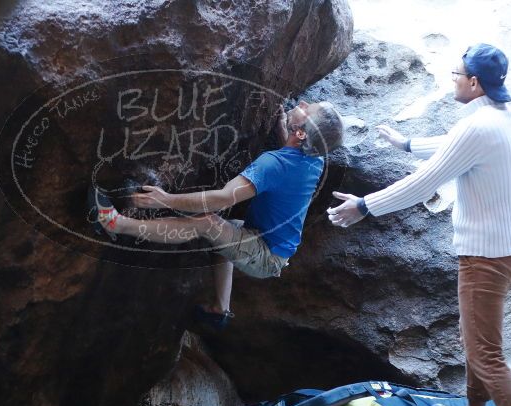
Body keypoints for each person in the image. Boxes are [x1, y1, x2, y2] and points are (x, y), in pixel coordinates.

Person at [326, 43, 511, 406]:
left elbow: (426, 180)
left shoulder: (479, 127)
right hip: (509, 251)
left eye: (458, 72)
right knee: (477, 344)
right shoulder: (506, 119)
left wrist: (365, 206)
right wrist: (408, 142)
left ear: (474, 83)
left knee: (485, 352)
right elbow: (458, 145)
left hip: (485, 259)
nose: (452, 75)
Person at [89, 100, 344, 328]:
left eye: (306, 110)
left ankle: (114, 223)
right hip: (274, 244)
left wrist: (165, 199)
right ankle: (220, 310)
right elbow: (290, 159)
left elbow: (223, 196)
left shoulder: (274, 165)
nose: (301, 103)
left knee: (208, 223)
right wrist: (283, 129)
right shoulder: (315, 159)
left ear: (300, 133)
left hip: (266, 255)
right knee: (226, 231)